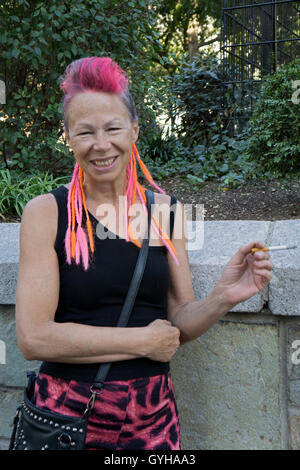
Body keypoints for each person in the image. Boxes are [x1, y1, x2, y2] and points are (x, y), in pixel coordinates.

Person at [15, 56, 273, 451]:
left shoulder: (165, 211)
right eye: (85, 132)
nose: (102, 145)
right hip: (68, 417)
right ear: (67, 137)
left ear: (134, 130)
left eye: (113, 128)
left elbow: (178, 324)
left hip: (152, 423)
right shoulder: (46, 213)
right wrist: (141, 342)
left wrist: (223, 298)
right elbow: (33, 338)